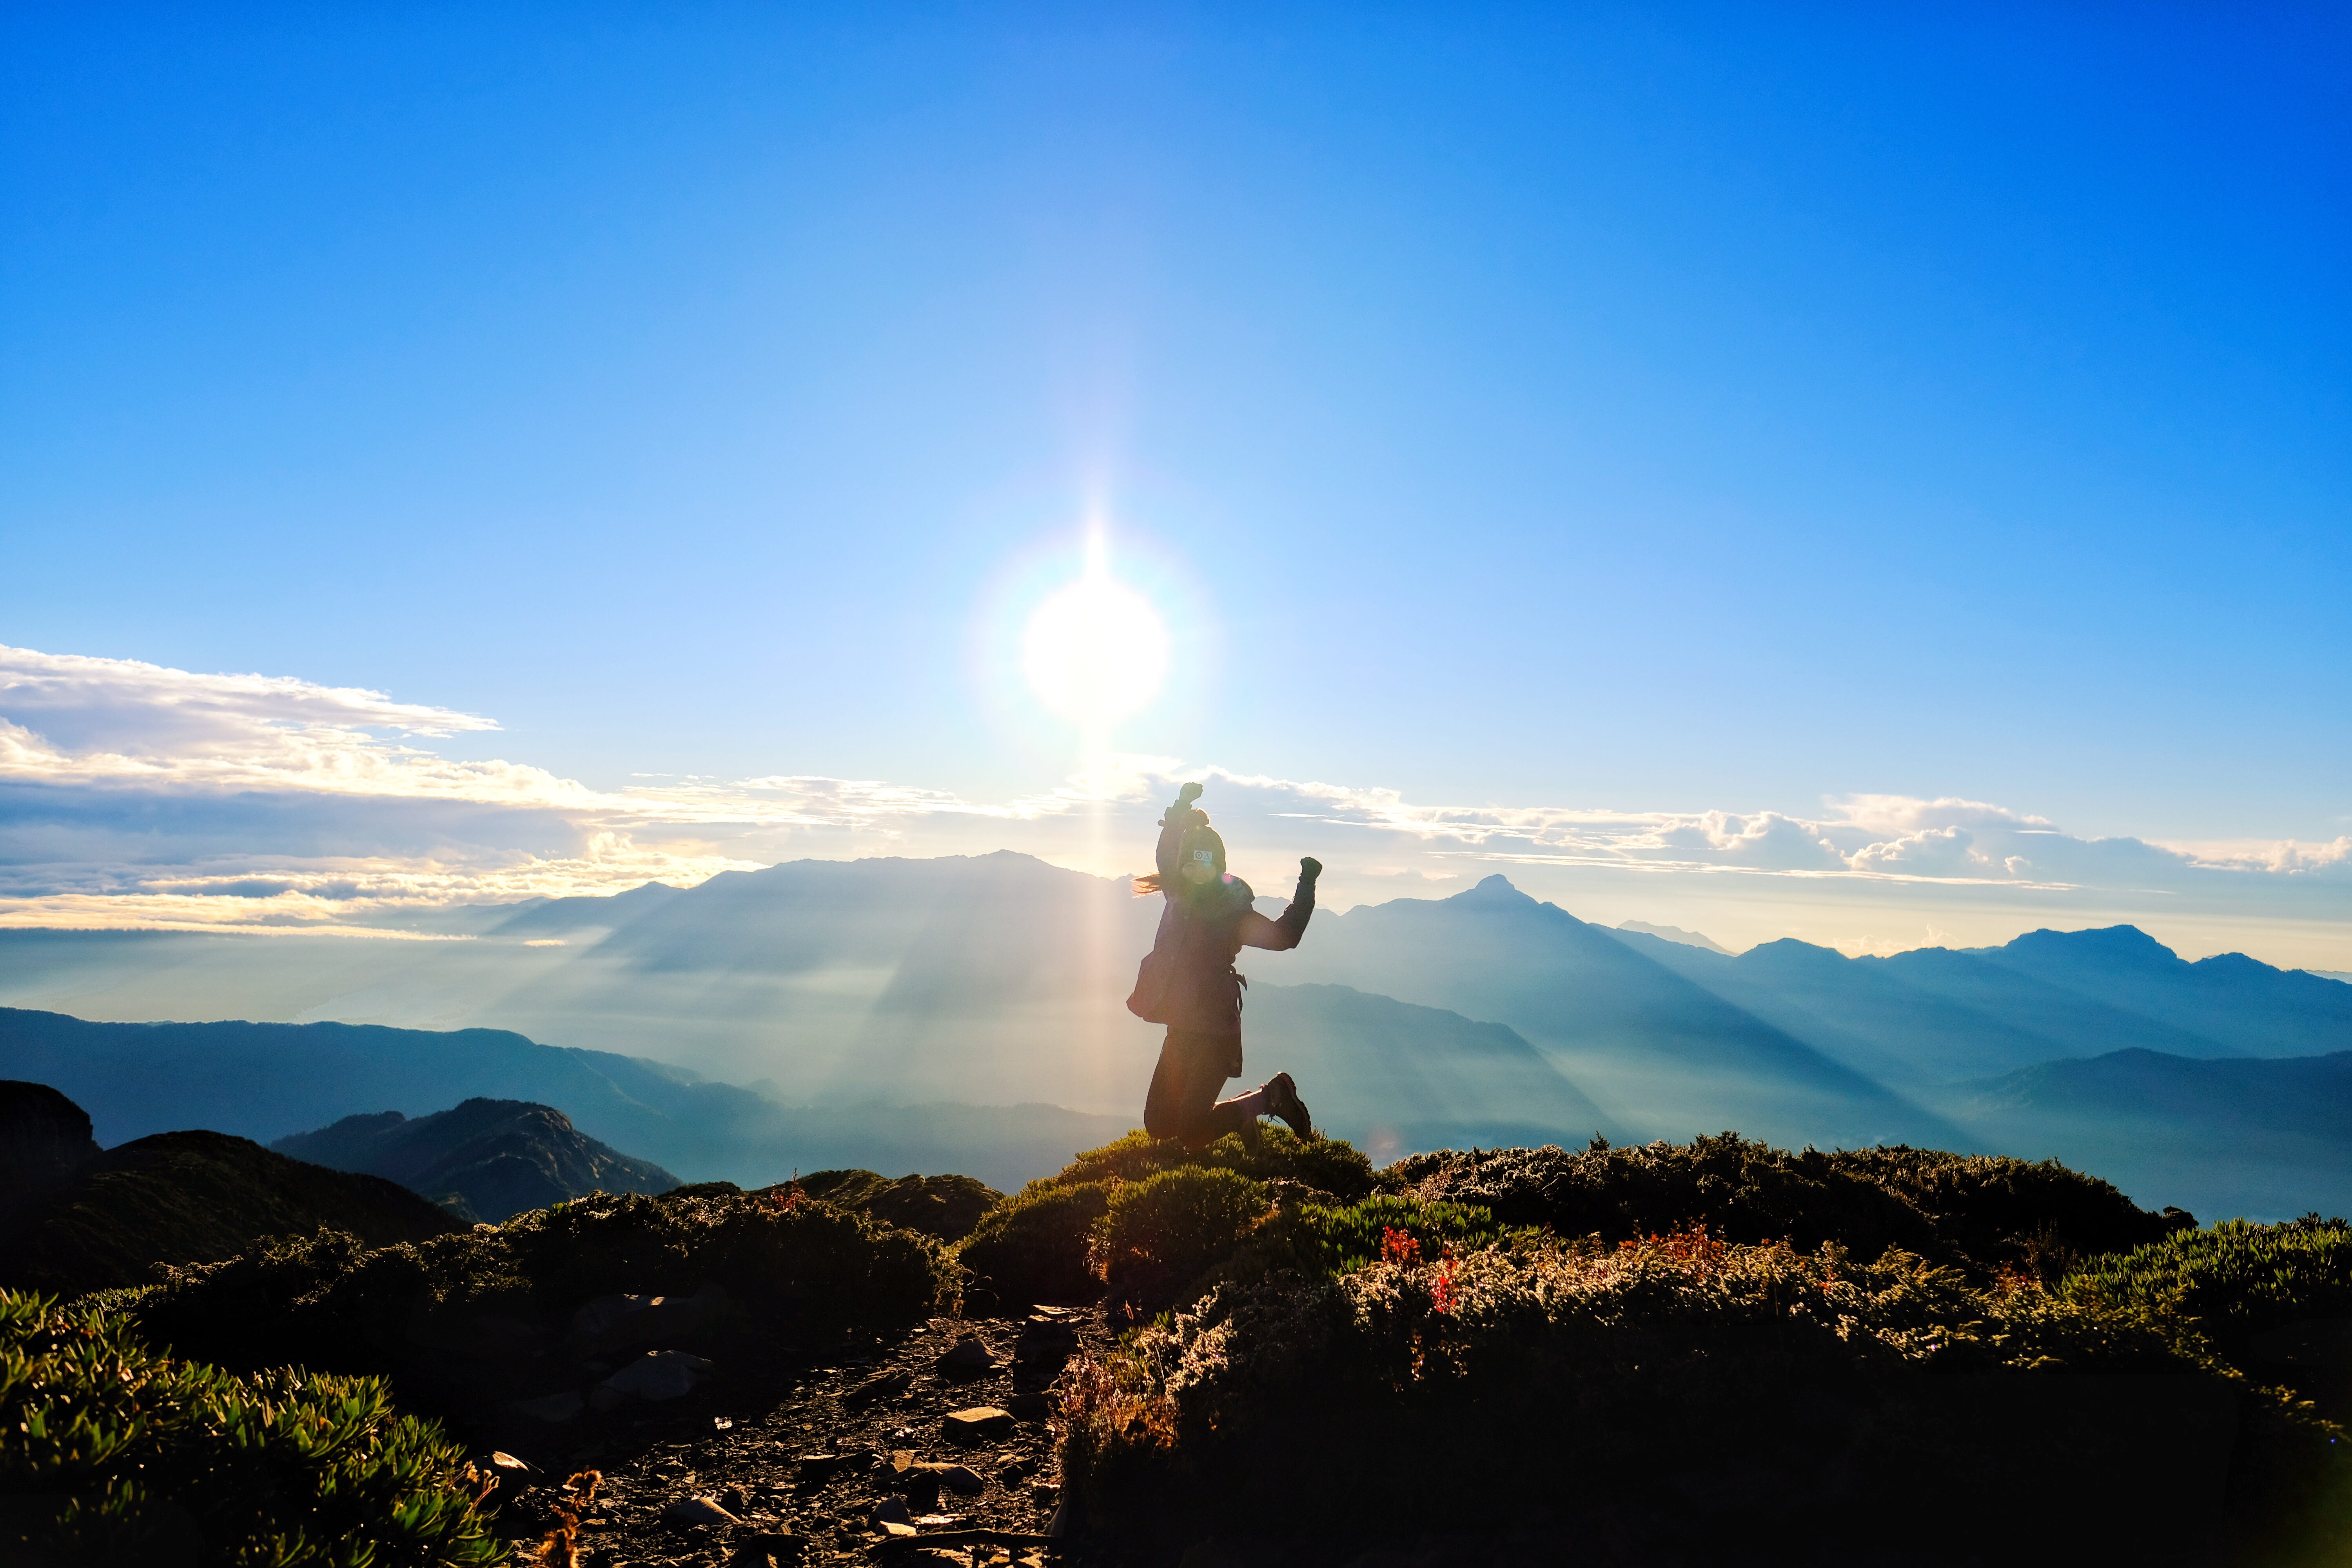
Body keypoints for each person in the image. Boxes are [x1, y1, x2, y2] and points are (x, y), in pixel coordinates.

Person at [1128, 779, 1322, 1149]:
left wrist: (1307, 883)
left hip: (1216, 1035)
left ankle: (1273, 1097)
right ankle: (1242, 1115)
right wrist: (1182, 806)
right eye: (1192, 861)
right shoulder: (1177, 894)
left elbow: (1285, 938)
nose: (1197, 869)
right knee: (1158, 1125)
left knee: (1190, 1133)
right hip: (1181, 1030)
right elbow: (1167, 850)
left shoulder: (1232, 914)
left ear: (1219, 867)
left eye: (1207, 862)